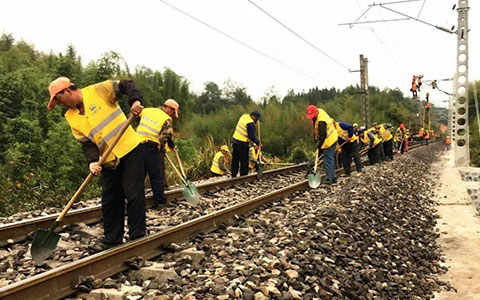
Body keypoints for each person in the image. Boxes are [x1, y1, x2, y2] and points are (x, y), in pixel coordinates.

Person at [47, 77, 146, 248]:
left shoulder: (97, 90)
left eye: (59, 99)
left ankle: (137, 238)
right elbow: (87, 143)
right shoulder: (70, 117)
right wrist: (92, 161)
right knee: (110, 200)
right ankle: (112, 239)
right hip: (107, 160)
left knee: (134, 194)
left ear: (67, 90)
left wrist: (135, 101)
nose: (60, 104)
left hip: (129, 150)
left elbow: (126, 84)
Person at [136, 99, 178, 209]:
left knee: (139, 175)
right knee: (156, 175)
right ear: (169, 108)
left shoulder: (146, 110)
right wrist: (163, 147)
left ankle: (136, 203)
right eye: (173, 112)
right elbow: (165, 137)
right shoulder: (166, 120)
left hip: (136, 145)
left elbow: (135, 119)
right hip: (150, 147)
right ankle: (160, 202)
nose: (172, 114)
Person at [306, 105, 338, 184]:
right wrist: (315, 139)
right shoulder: (317, 114)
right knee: (329, 158)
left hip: (330, 139)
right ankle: (333, 177)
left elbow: (323, 135)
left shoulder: (321, 121)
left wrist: (319, 146)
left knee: (328, 159)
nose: (312, 117)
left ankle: (329, 179)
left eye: (313, 115)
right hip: (326, 139)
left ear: (316, 112)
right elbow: (316, 129)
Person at [231, 111, 262, 177]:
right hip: (242, 143)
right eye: (256, 119)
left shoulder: (244, 116)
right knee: (244, 161)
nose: (256, 121)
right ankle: (243, 176)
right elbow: (251, 136)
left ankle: (233, 175)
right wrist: (258, 142)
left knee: (235, 160)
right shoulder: (250, 123)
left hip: (235, 140)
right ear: (253, 116)